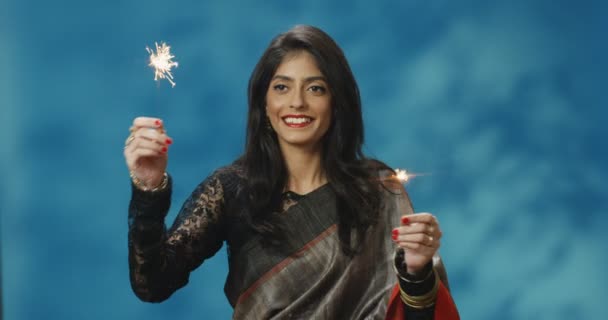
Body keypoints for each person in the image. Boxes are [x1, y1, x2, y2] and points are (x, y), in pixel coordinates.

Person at [124, 25, 459, 319]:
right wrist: (148, 188)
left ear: (337, 102)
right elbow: (152, 284)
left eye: (315, 88)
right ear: (263, 103)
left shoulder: (377, 190)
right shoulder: (230, 190)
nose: (297, 102)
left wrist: (416, 271)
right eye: (282, 87)